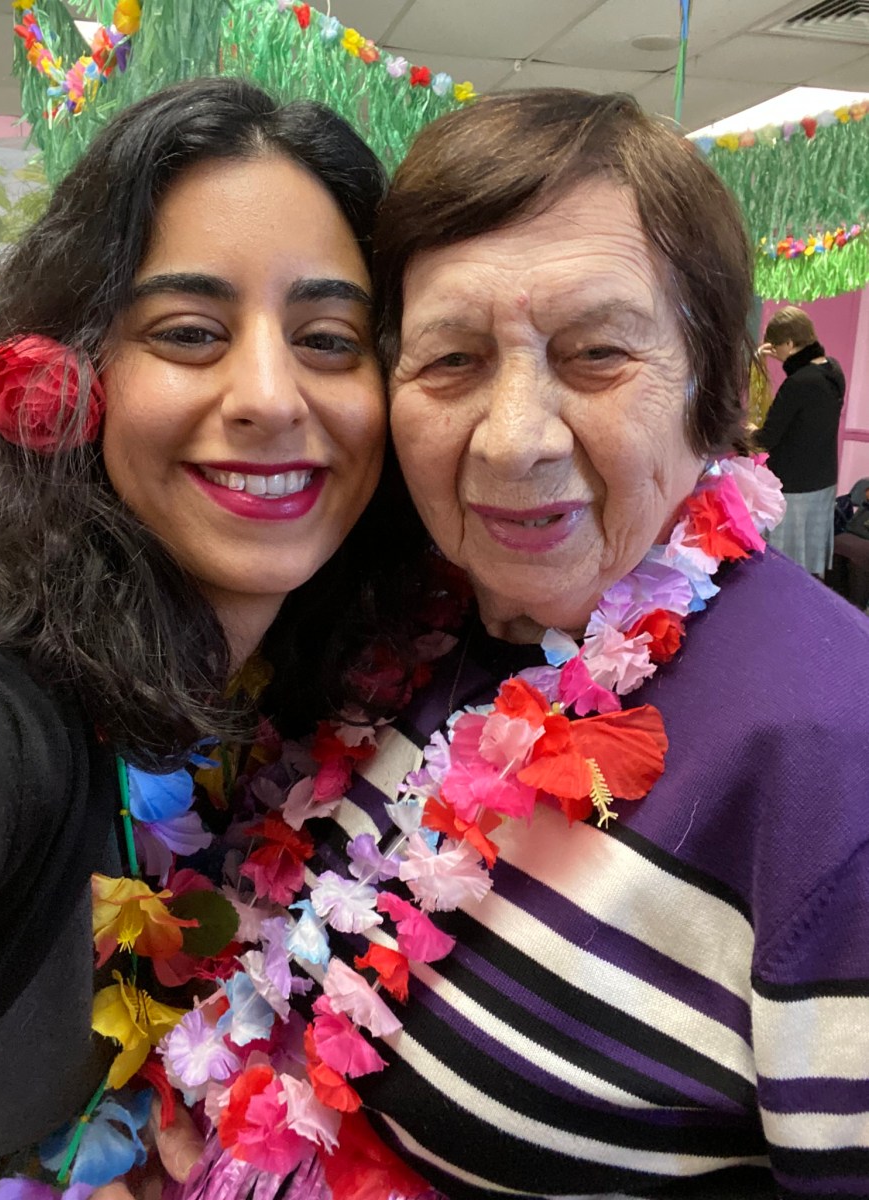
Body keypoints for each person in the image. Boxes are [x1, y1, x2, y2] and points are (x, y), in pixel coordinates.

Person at [304, 90, 869, 1199]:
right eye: (450, 359)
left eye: (598, 352)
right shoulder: (395, 625)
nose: (513, 441)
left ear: (716, 384)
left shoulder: (833, 760)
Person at [0, 76, 416, 1195]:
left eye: (328, 339)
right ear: (73, 373)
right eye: (188, 333)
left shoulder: (315, 707)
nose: (270, 395)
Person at [756, 305, 845, 576]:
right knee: (808, 563)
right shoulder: (833, 371)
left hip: (794, 486)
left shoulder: (797, 384)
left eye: (777, 347)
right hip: (823, 481)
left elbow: (767, 438)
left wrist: (747, 431)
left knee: (783, 566)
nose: (776, 353)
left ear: (790, 343)